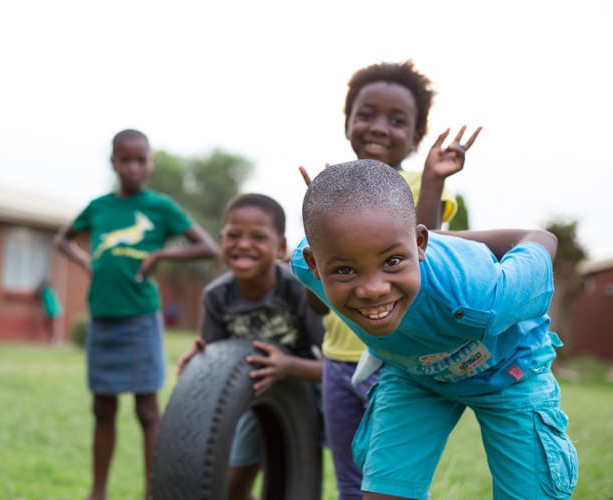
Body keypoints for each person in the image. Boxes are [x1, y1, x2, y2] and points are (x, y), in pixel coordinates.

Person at [291, 160, 578, 499]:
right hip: (417, 376)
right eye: (345, 270)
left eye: (393, 261)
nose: (373, 289)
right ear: (314, 265)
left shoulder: (485, 294)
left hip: (510, 371)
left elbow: (541, 239)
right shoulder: (307, 266)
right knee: (385, 492)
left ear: (421, 244)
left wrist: (447, 238)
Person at [299, 60, 481, 500]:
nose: (379, 127)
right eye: (366, 114)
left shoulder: (420, 185)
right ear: (347, 123)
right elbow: (319, 301)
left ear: (417, 135)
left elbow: (430, 256)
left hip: (398, 364)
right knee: (348, 479)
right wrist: (317, 226)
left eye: (397, 120)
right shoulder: (329, 195)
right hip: (338, 361)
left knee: (392, 481)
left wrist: (435, 181)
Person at [54, 129, 218, 500]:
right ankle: (98, 492)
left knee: (147, 410)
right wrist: (84, 261)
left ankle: (152, 491)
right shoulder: (98, 207)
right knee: (102, 408)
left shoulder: (160, 207)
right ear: (113, 162)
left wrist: (161, 255)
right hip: (103, 318)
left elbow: (207, 247)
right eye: (124, 160)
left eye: (140, 159)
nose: (132, 167)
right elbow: (62, 238)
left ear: (150, 162)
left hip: (140, 319)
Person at [177, 193, 324, 500]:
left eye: (258, 237)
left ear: (281, 247)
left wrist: (290, 367)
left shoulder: (299, 291)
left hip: (307, 391)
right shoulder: (216, 296)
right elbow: (215, 368)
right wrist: (198, 367)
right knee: (234, 486)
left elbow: (336, 366)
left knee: (326, 469)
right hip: (252, 392)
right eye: (233, 236)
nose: (243, 244)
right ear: (221, 240)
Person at [38, 278, 63, 343]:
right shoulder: (48, 291)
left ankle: (55, 339)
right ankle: (52, 338)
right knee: (51, 325)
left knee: (54, 325)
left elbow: (50, 303)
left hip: (54, 311)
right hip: (52, 310)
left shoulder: (46, 292)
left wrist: (48, 312)